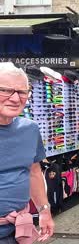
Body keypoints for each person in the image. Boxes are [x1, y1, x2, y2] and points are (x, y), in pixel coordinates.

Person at [0, 63, 54, 243]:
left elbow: (33, 172)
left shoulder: (29, 130)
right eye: (6, 90)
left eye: (22, 92)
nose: (15, 99)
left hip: (19, 230)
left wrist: (44, 210)